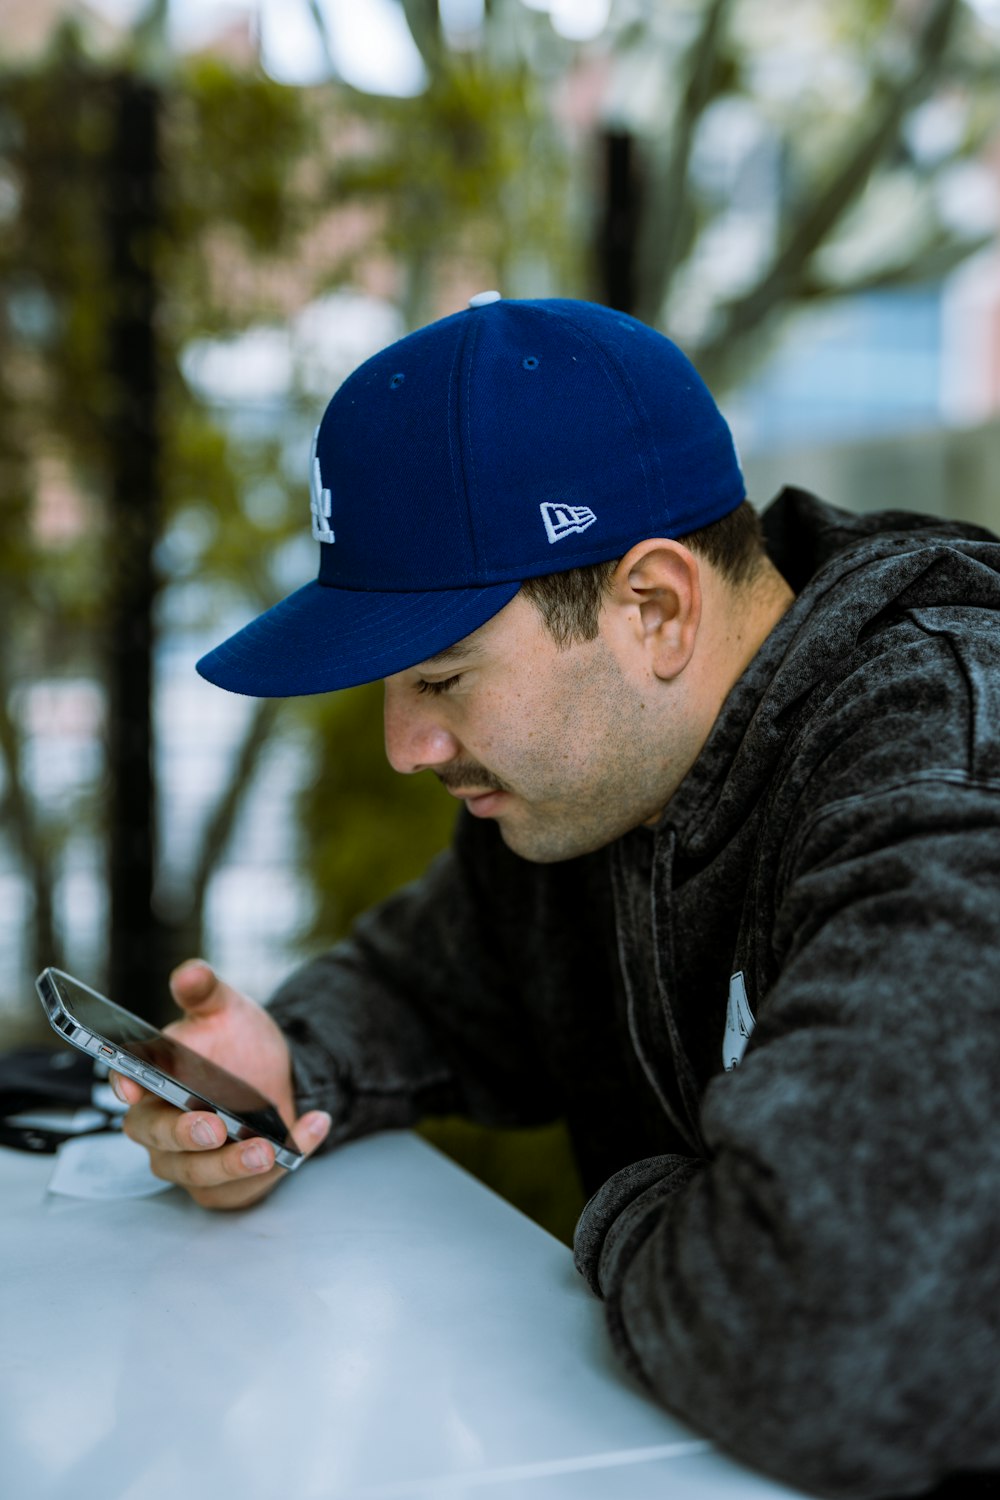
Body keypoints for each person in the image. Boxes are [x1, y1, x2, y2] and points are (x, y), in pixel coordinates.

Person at [114, 295, 1000, 1500]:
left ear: (655, 609)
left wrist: (640, 1202)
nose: (405, 746)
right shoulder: (604, 775)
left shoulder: (941, 769)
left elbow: (824, 1338)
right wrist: (286, 1063)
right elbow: (427, 982)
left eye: (442, 676)